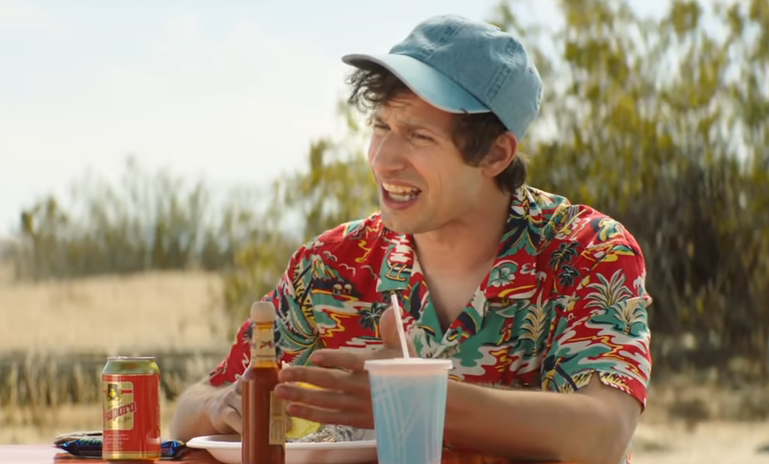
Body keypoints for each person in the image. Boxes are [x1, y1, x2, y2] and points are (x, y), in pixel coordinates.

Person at [170, 14, 652, 464]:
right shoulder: (331, 265)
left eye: (418, 136)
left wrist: (410, 399)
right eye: (380, 126)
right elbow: (193, 406)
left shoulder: (586, 251)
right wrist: (224, 405)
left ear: (496, 154)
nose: (383, 160)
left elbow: (601, 433)